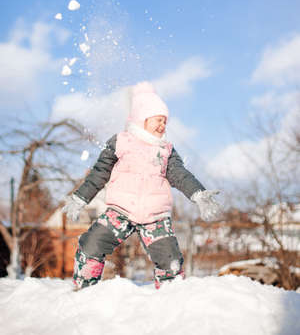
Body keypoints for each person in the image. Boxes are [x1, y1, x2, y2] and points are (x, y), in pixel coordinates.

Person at [62, 82, 221, 290]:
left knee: (170, 260)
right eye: (158, 119)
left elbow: (180, 175)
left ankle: (171, 295)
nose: (163, 125)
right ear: (142, 118)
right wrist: (79, 198)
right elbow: (99, 172)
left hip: (155, 215)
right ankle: (84, 288)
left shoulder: (165, 151)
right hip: (120, 211)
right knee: (90, 244)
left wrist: (198, 194)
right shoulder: (120, 142)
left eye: (165, 121)